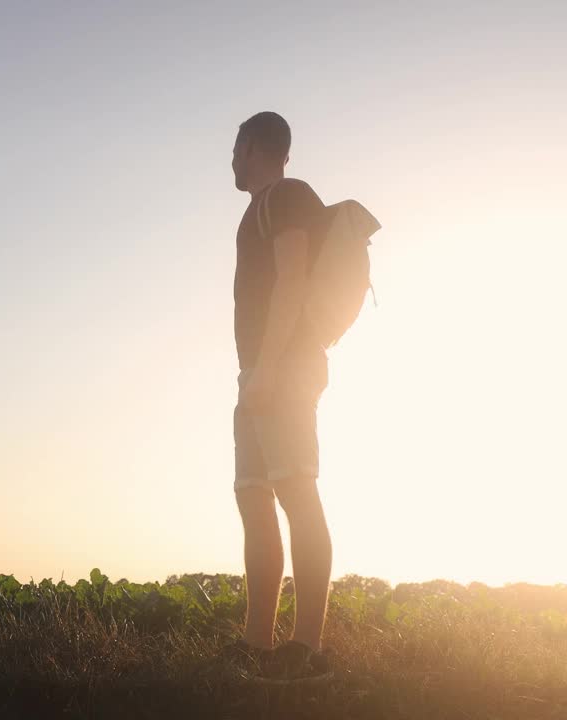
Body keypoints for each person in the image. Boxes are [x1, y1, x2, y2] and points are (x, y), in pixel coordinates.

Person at [224, 111, 333, 684]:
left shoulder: (287, 195)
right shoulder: (257, 209)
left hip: (284, 369)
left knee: (296, 492)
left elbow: (292, 279)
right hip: (257, 373)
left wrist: (267, 369)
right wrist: (252, 375)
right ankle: (257, 643)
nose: (231, 160)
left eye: (236, 148)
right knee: (253, 497)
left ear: (255, 147)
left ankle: (307, 649)